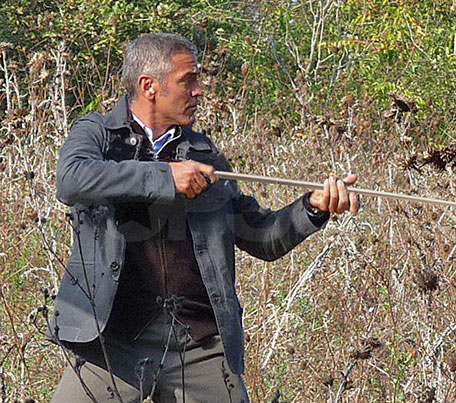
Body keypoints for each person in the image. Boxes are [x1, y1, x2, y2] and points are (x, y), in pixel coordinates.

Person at [49, 33, 359, 402]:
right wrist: (165, 177)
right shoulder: (98, 134)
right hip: (112, 342)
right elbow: (70, 180)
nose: (199, 91)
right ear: (149, 86)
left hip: (199, 344)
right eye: (188, 80)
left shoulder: (203, 154)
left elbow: (262, 238)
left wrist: (314, 206)